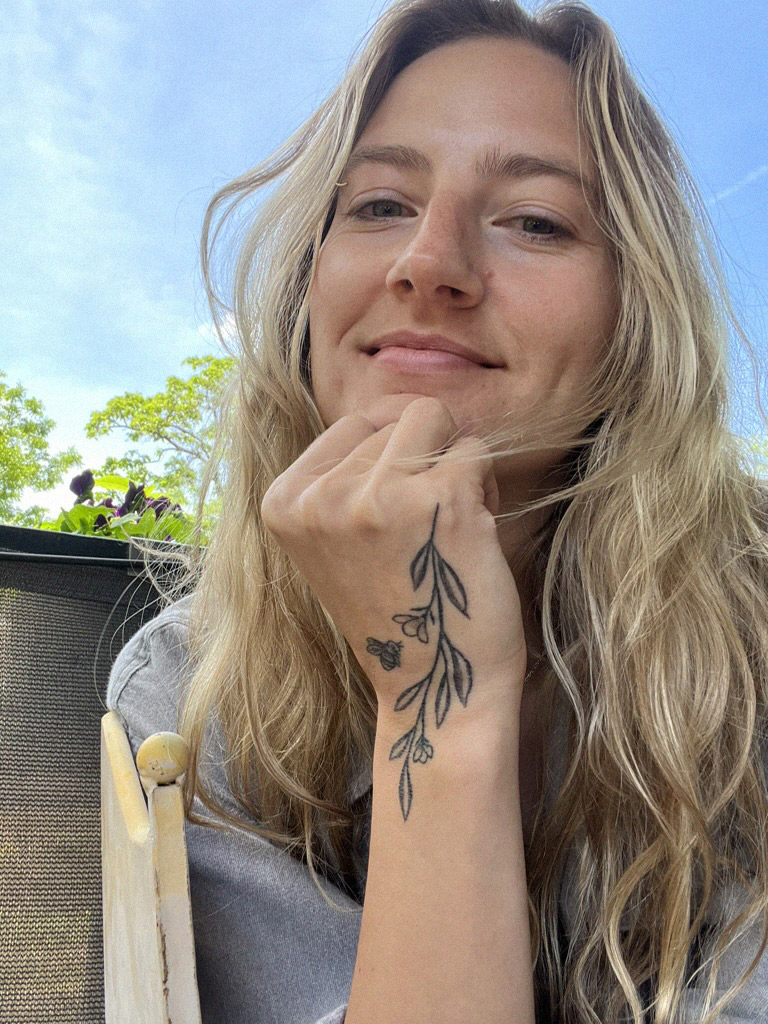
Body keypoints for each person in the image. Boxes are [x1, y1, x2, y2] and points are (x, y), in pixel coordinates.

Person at [107, 0, 768, 1021]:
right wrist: (440, 695)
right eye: (379, 204)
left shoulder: (750, 637)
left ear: (637, 317)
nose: (428, 263)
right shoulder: (192, 690)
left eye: (536, 221)